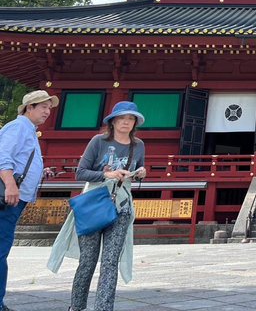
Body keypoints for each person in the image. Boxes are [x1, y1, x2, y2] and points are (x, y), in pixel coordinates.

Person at [48, 102, 147, 311]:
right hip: (93, 205)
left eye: (131, 118)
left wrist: (141, 173)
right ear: (112, 121)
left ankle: (103, 307)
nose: (126, 122)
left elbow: (135, 170)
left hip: (121, 206)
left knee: (111, 262)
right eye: (122, 118)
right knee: (88, 261)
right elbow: (80, 172)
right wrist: (106, 173)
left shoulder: (138, 145)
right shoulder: (98, 142)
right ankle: (76, 306)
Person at [0, 90, 59, 311]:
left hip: (15, 196)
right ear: (29, 108)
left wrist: (40, 173)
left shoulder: (29, 131)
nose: (47, 112)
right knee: (0, 248)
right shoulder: (17, 127)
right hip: (7, 197)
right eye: (43, 107)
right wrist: (10, 185)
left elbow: (20, 161)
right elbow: (1, 155)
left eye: (49, 108)